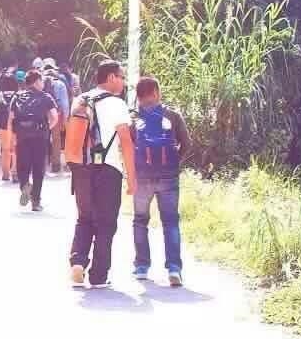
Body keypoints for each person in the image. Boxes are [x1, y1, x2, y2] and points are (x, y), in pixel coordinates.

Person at [64, 59, 137, 288]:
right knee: (106, 224)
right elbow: (126, 142)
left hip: (81, 168)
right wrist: (132, 178)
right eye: (122, 77)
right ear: (111, 78)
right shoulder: (117, 104)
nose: (124, 82)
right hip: (108, 170)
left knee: (85, 218)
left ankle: (77, 262)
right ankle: (98, 276)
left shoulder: (81, 99)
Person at [131, 76, 191, 287]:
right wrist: (174, 163)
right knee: (170, 222)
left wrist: (134, 172)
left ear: (138, 96)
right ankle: (174, 269)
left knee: (140, 220)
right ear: (156, 92)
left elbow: (128, 147)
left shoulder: (134, 118)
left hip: (142, 177)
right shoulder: (172, 115)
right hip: (169, 177)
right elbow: (187, 143)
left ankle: (141, 267)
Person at [7, 69, 58, 212]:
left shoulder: (17, 96)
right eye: (41, 81)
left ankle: (24, 185)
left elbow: (11, 119)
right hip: (40, 137)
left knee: (23, 166)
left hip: (22, 137)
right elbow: (55, 117)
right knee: (38, 169)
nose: (43, 83)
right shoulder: (46, 97)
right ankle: (36, 201)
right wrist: (47, 128)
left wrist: (12, 137)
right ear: (36, 81)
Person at [42, 60, 70, 174]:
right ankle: (56, 164)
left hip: (42, 114)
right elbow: (64, 103)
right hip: (56, 114)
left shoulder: (40, 81)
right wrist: (65, 118)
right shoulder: (60, 83)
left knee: (42, 138)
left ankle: (42, 164)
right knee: (56, 139)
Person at [0, 71, 19, 182]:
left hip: (3, 126)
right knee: (15, 150)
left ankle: (5, 173)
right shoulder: (19, 95)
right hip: (16, 126)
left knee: (5, 149)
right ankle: (15, 172)